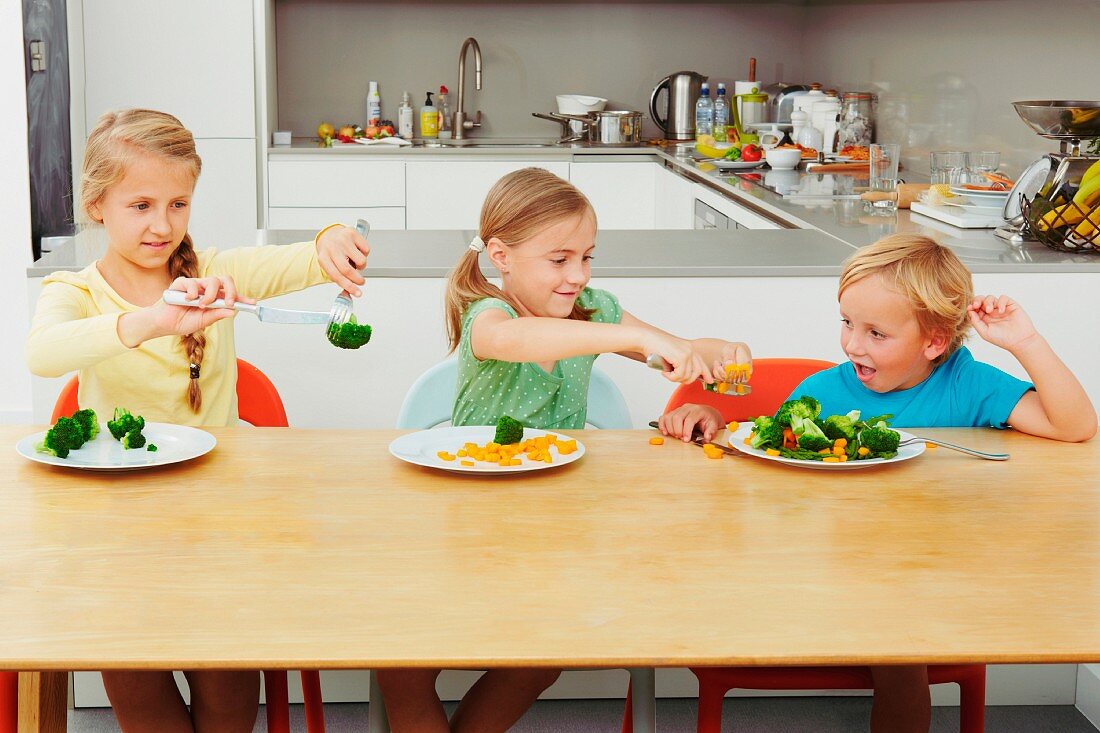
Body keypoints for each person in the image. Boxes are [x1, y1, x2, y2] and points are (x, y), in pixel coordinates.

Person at [659, 233, 1096, 733]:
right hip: (821, 564)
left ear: (934, 341)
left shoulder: (967, 383)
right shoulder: (822, 391)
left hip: (929, 573)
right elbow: (767, 457)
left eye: (875, 334)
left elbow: (1075, 426)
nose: (850, 345)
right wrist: (713, 413)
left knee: (900, 648)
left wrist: (1026, 343)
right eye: (847, 323)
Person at [25, 108, 371, 732]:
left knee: (229, 683)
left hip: (223, 521)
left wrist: (329, 242)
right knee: (133, 678)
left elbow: (301, 262)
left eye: (178, 204)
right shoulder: (74, 289)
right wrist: (154, 320)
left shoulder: (211, 272)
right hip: (123, 526)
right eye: (141, 206)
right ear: (98, 204)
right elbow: (44, 353)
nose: (162, 225)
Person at [373, 167, 751, 733]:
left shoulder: (592, 307)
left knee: (541, 660)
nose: (577, 275)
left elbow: (676, 347)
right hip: (470, 524)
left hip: (560, 526)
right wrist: (635, 337)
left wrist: (715, 349)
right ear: (501, 256)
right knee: (401, 669)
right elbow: (517, 342)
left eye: (587, 257)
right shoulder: (487, 314)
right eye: (560, 259)